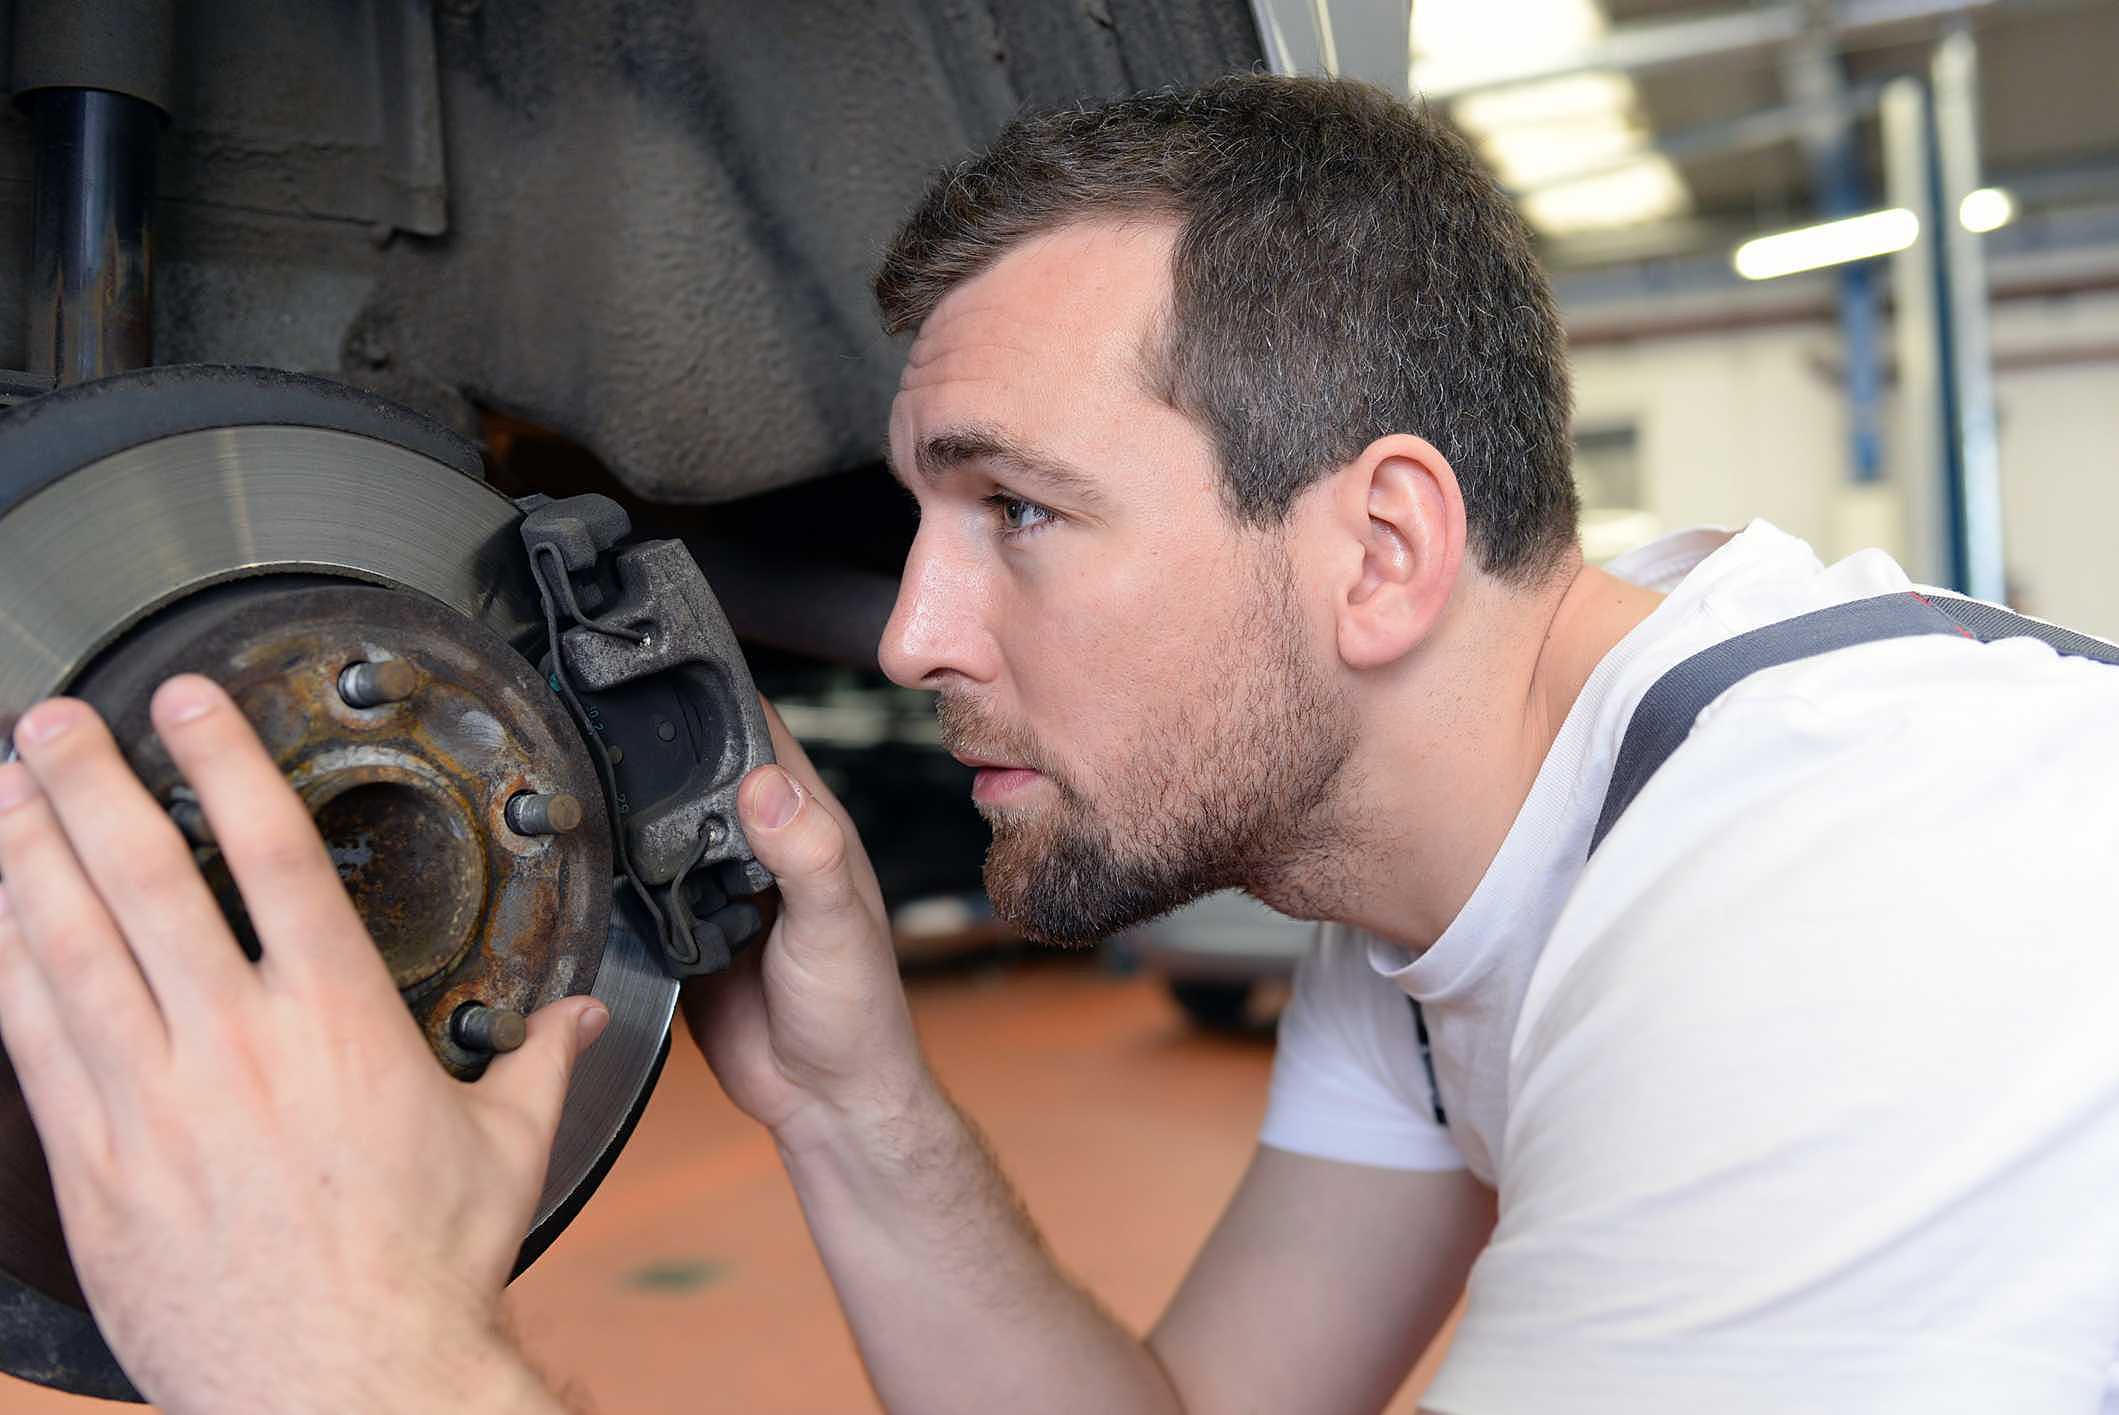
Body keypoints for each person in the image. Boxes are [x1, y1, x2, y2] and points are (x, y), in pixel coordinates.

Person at [4, 72, 2119, 1415]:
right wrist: (850, 1107)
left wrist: (354, 1367)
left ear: (1381, 545)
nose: (912, 632)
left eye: (1016, 511)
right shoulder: (1452, 866)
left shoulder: (1862, 900)